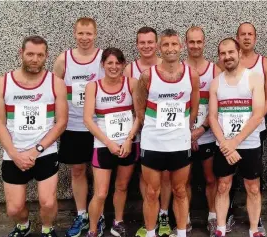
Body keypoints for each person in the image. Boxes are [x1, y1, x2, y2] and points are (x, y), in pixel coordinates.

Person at [0, 35, 68, 237]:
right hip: (14, 152)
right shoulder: (3, 83)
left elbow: (61, 122)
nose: (35, 59)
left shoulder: (56, 83)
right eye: (30, 54)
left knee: (48, 201)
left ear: (46, 56)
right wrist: (15, 154)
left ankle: (47, 228)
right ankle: (23, 225)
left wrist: (37, 150)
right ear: (21, 53)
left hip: (43, 151)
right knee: (14, 209)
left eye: (40, 55)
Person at [134, 29, 200, 237]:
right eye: (166, 45)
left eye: (174, 44)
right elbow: (140, 109)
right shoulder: (147, 76)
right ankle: (151, 233)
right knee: (152, 193)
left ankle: (181, 233)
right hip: (153, 143)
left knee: (180, 191)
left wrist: (181, 129)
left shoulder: (192, 75)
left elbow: (194, 109)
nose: (170, 49)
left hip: (179, 143)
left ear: (181, 47)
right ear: (159, 48)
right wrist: (156, 128)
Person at [52, 17, 105, 237]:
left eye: (89, 33)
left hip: (99, 125)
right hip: (73, 125)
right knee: (77, 170)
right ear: (74, 33)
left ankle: (99, 214)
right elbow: (53, 90)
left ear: (95, 34)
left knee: (101, 172)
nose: (85, 38)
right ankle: (82, 214)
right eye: (81, 33)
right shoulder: (63, 59)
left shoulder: (103, 58)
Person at [209, 38, 265, 237]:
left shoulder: (254, 78)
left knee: (253, 187)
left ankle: (254, 229)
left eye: (231, 52)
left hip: (248, 143)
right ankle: (221, 229)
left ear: (239, 52)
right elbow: (212, 117)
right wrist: (226, 144)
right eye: (223, 54)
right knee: (223, 186)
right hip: (224, 145)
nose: (227, 57)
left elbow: (258, 114)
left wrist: (234, 143)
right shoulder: (216, 82)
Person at [223, 22, 267, 235]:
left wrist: (256, 119)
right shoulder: (228, 60)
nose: (246, 38)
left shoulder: (264, 63)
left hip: (255, 129)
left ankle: (256, 216)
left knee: (253, 175)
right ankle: (228, 212)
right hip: (229, 131)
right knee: (227, 175)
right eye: (242, 34)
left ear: (255, 37)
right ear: (237, 38)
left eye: (250, 34)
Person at [83, 48, 141, 237]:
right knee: (100, 193)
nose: (114, 67)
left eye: (118, 63)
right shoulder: (93, 86)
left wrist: (129, 139)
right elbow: (88, 119)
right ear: (103, 65)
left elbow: (140, 115)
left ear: (124, 64)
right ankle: (93, 228)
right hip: (103, 145)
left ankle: (118, 221)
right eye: (110, 63)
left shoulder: (132, 83)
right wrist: (108, 143)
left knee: (122, 186)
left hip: (128, 144)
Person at [124, 27, 173, 237]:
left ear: (158, 44)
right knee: (145, 178)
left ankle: (163, 215)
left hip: (166, 133)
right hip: (140, 132)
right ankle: (149, 218)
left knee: (166, 176)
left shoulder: (167, 68)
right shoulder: (130, 69)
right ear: (137, 45)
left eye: (150, 42)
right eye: (142, 42)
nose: (146, 46)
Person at [184, 26, 221, 236]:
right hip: (183, 136)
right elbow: (175, 102)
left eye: (199, 42)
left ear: (204, 43)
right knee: (184, 180)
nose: (195, 46)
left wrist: (202, 128)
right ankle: (185, 218)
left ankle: (213, 217)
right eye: (191, 42)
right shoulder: (179, 69)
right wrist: (187, 132)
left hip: (207, 134)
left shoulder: (214, 70)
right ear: (185, 43)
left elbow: (218, 104)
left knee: (210, 178)